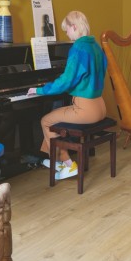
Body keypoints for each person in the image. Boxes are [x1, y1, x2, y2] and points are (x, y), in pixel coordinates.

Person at [27, 10, 107, 180]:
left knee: (46, 121)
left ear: (74, 27)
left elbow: (66, 81)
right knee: (56, 117)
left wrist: (39, 90)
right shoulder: (95, 46)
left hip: (86, 109)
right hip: (100, 105)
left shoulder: (78, 48)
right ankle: (54, 160)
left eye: (67, 30)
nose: (67, 34)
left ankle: (68, 164)